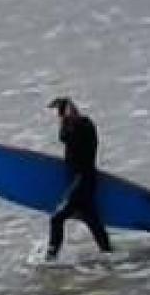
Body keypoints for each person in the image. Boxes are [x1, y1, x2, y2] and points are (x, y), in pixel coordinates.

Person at [45, 96, 111, 260]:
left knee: (57, 218)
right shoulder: (76, 128)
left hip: (83, 181)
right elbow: (64, 136)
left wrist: (67, 108)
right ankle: (110, 255)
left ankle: (51, 258)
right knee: (92, 221)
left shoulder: (84, 127)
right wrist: (63, 112)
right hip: (83, 181)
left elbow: (66, 134)